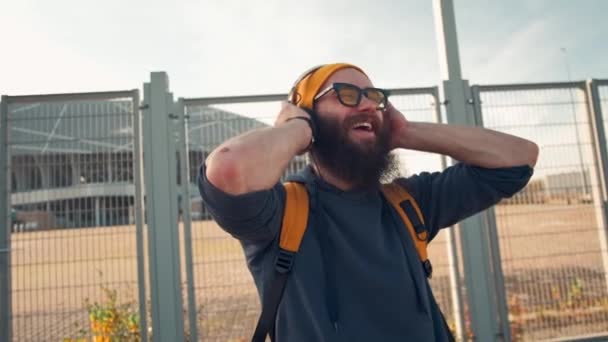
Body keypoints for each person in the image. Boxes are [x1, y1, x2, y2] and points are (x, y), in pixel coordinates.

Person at [198, 63, 538, 341]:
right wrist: (299, 128)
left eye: (374, 98)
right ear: (308, 113)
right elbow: (229, 169)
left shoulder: (408, 202)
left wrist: (406, 132)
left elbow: (519, 158)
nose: (366, 105)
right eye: (346, 95)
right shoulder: (281, 212)